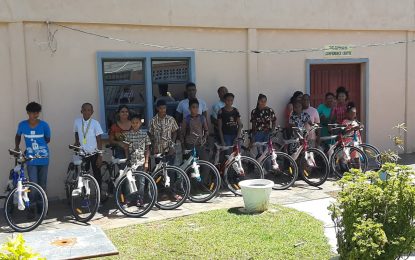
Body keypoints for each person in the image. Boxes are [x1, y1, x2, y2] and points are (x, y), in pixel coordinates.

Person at [15, 102, 51, 192]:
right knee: (33, 183)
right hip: (30, 158)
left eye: (37, 112)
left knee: (42, 183)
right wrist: (17, 146)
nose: (35, 114)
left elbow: (47, 139)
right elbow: (18, 136)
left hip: (43, 157)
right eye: (33, 112)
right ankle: (33, 204)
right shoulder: (22, 125)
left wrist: (39, 147)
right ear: (28, 112)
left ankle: (42, 205)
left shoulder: (44, 125)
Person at [123, 113, 151, 206]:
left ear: (140, 123)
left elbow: (147, 148)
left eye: (137, 122)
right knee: (129, 181)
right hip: (131, 162)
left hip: (141, 161)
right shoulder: (128, 134)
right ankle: (129, 199)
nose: (135, 124)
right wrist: (127, 159)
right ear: (131, 123)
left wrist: (146, 162)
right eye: (133, 123)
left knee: (141, 181)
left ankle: (140, 198)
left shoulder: (144, 134)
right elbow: (126, 147)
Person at [73, 103, 103, 188]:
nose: (87, 112)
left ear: (92, 112)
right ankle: (86, 195)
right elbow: (76, 132)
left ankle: (99, 194)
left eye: (89, 110)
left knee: (97, 174)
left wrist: (100, 156)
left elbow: (99, 140)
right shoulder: (77, 122)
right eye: (85, 110)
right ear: (81, 111)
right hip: (83, 153)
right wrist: (76, 141)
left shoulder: (95, 123)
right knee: (84, 175)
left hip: (94, 153)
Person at [148, 100, 179, 165]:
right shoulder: (153, 121)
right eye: (160, 108)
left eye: (164, 108)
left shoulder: (171, 119)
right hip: (158, 149)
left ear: (166, 108)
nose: (162, 110)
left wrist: (172, 146)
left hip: (169, 148)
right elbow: (150, 134)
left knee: (170, 170)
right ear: (157, 108)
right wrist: (153, 146)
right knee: (160, 170)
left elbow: (175, 132)